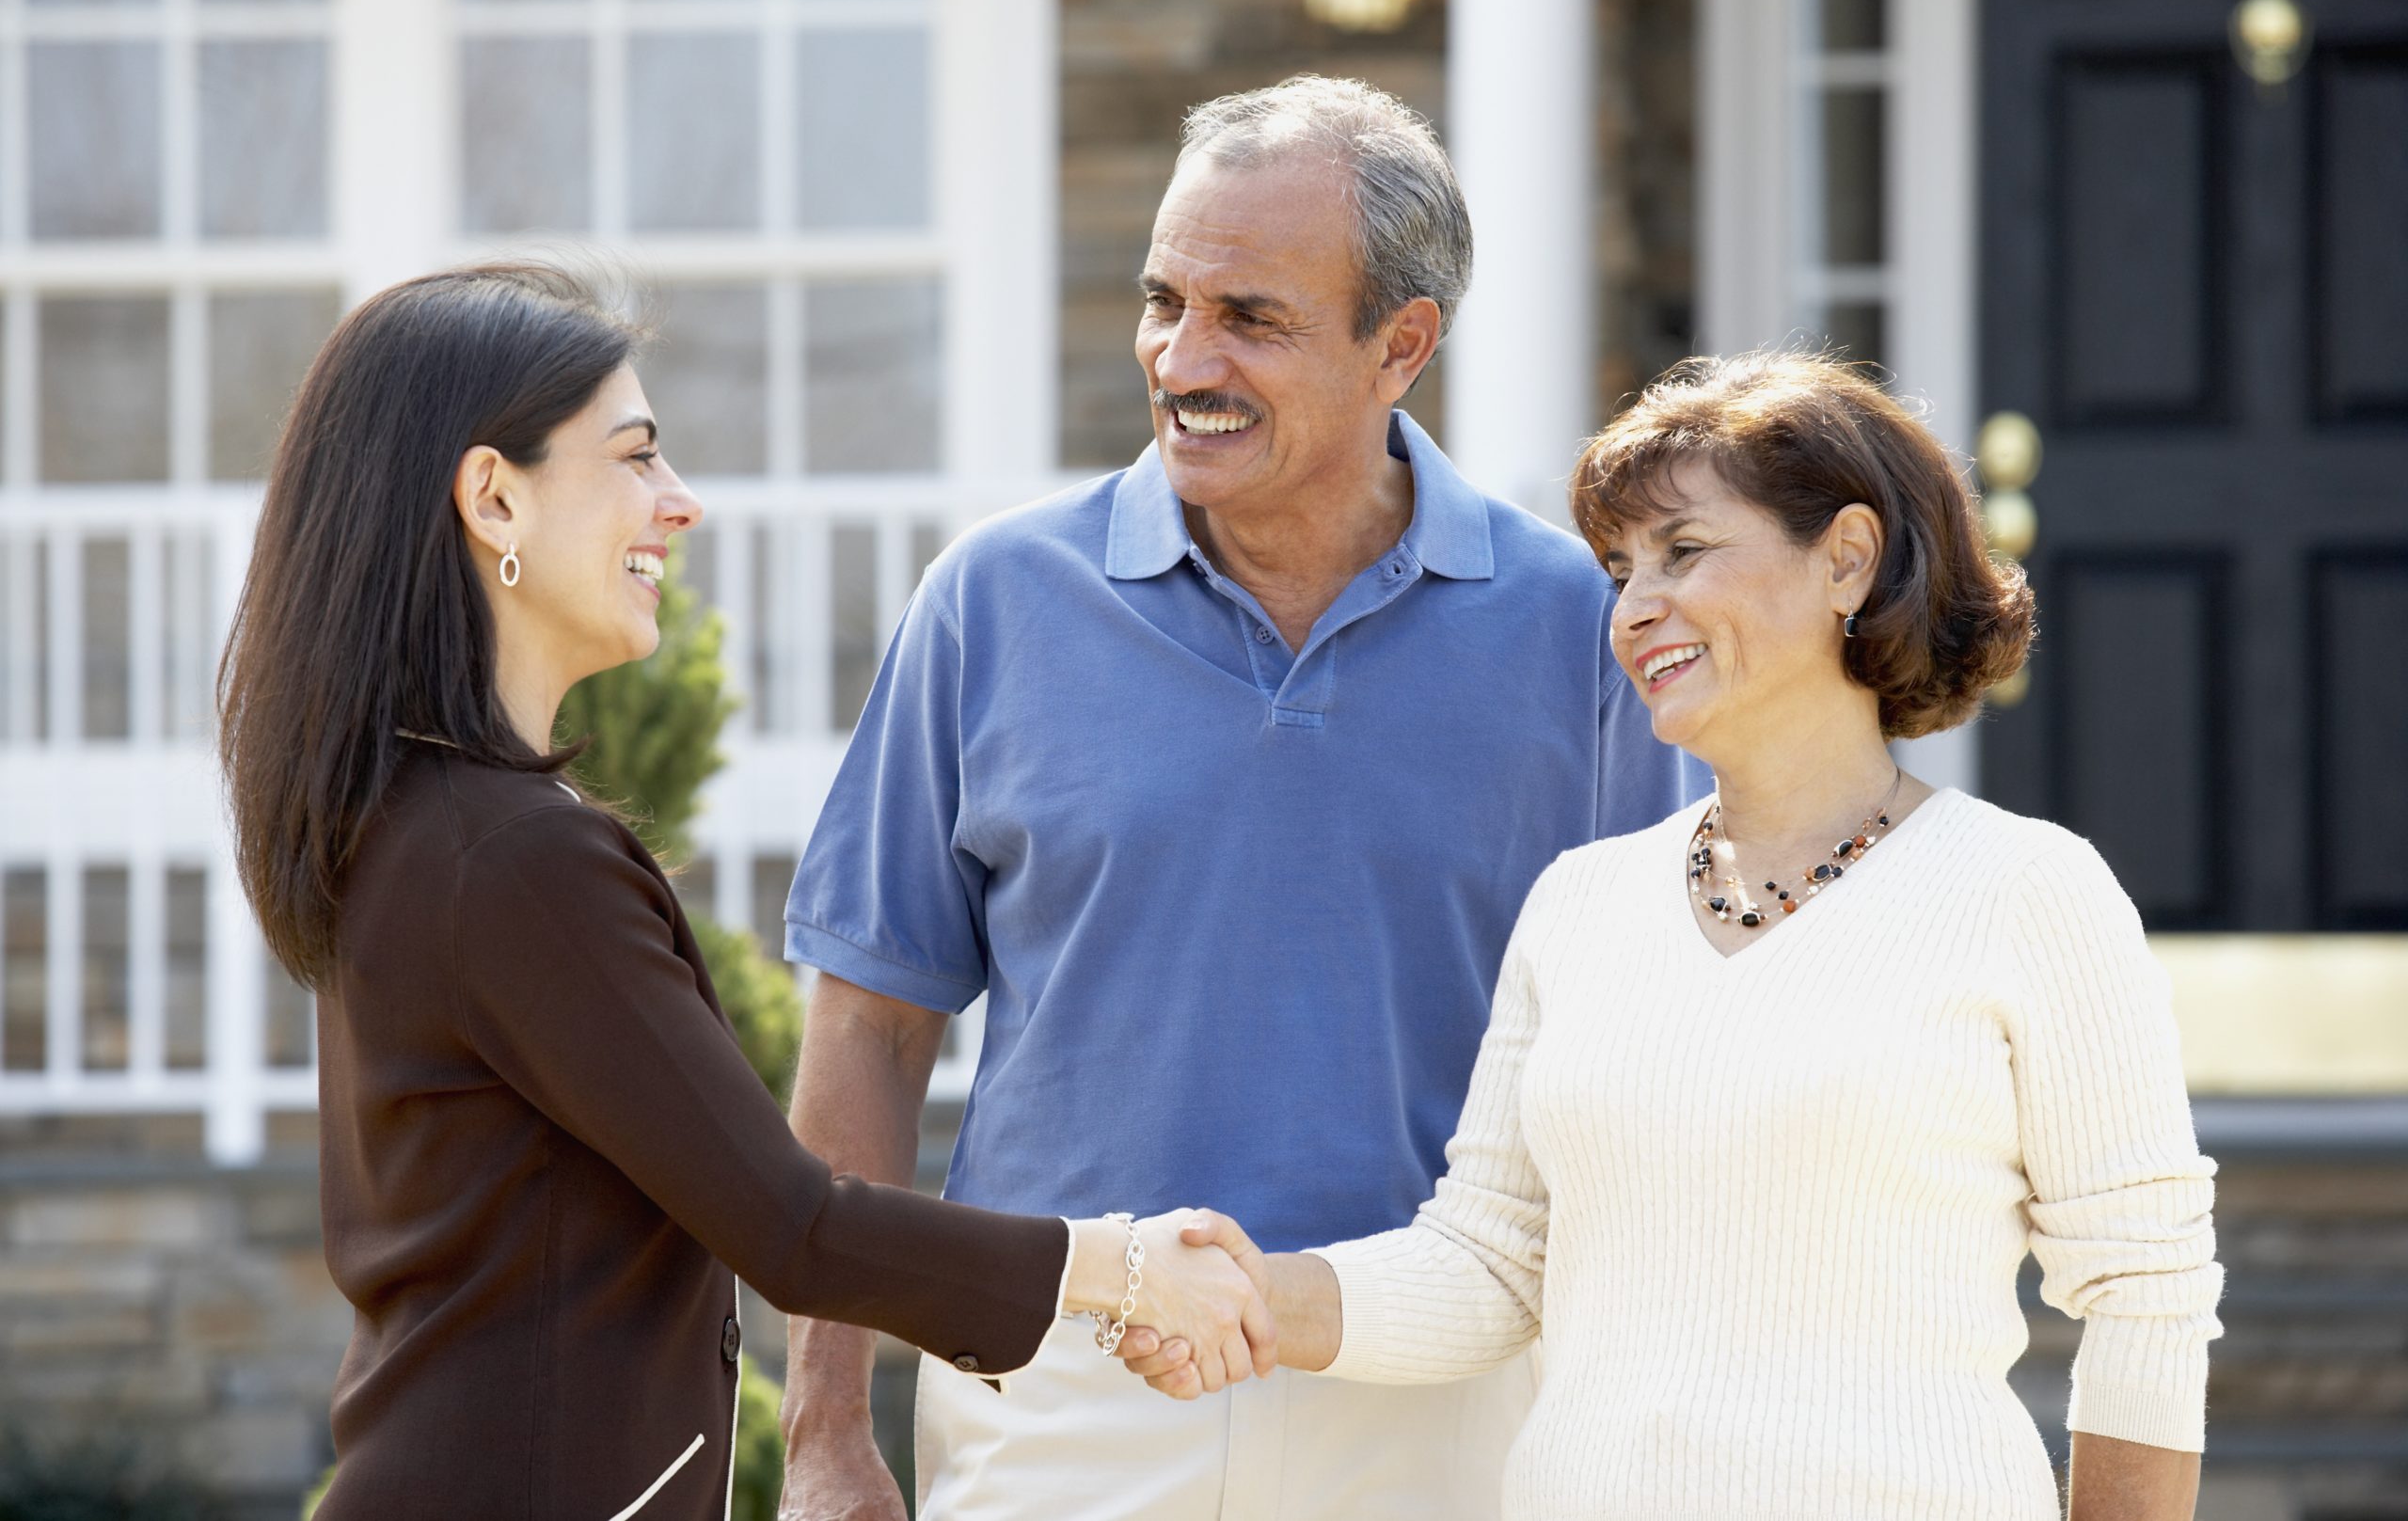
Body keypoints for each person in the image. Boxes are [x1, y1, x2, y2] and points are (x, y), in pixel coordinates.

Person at [775, 76, 1702, 1521]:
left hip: (1432, 1394)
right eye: (1164, 301)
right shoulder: (996, 602)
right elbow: (868, 1030)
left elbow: (1646, 1061)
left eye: (1250, 318)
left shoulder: (1572, 629)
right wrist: (826, 1429)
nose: (1181, 358)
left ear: (1401, 346)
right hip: (1068, 1389)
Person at [214, 263, 1270, 1521]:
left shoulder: (429, 826)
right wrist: (1124, 1265)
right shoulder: (509, 857)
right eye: (636, 456)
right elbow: (793, 1225)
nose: (680, 504)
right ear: (493, 496)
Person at [1126, 352, 2226, 1521]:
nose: (1633, 608)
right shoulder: (1578, 904)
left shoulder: (2024, 890)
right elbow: (1490, 1263)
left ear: (1846, 559)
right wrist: (1249, 1297)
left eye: (1682, 553)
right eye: (1619, 570)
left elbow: (2144, 1294)